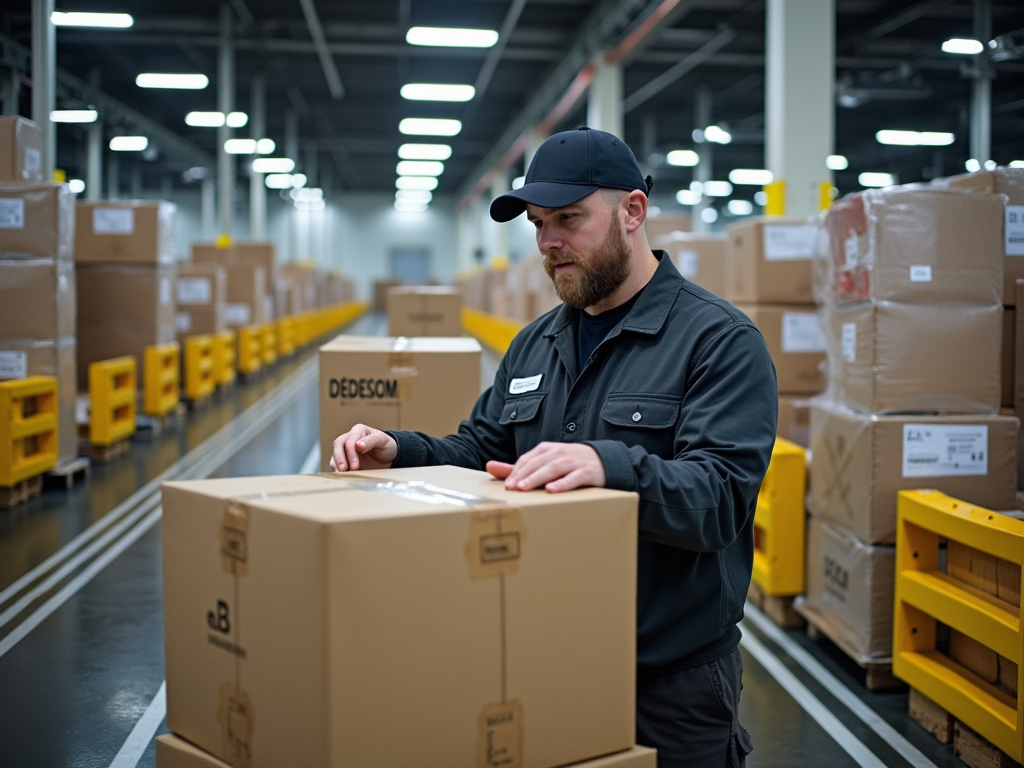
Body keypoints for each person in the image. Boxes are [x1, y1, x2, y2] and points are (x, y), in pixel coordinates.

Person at [330, 126, 777, 767]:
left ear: (633, 212)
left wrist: (606, 464)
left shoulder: (718, 341)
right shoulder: (535, 343)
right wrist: (398, 451)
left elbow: (718, 500)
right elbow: (482, 450)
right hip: (544, 662)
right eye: (538, 224)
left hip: (669, 684)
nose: (549, 243)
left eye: (568, 218)